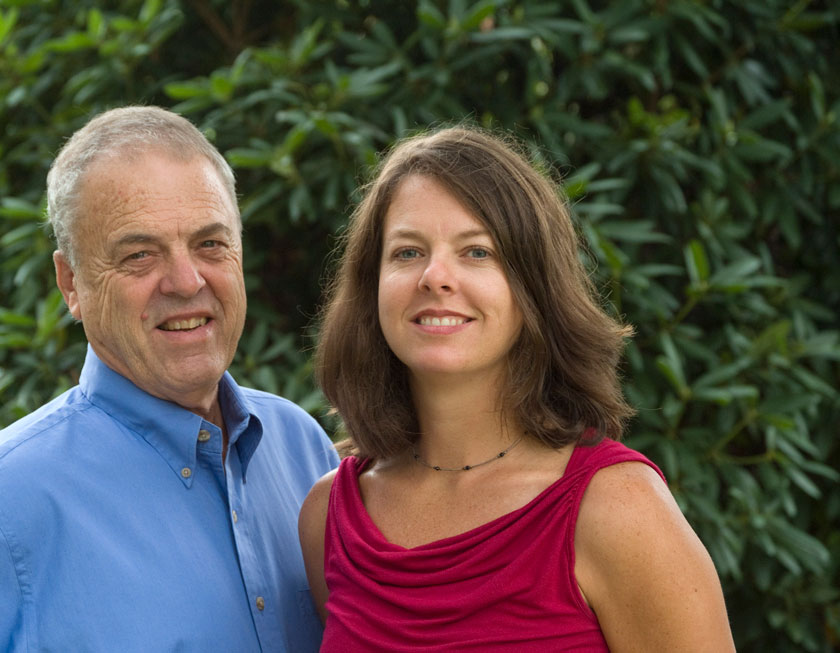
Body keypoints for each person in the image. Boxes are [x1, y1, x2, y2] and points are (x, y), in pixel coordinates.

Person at [0, 106, 339, 652]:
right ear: (70, 283)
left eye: (210, 244)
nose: (187, 281)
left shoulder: (299, 447)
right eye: (139, 254)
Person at [299, 126, 735, 651]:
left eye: (477, 252)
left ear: (533, 286)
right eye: (408, 252)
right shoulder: (330, 515)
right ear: (372, 286)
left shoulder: (618, 510)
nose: (435, 276)